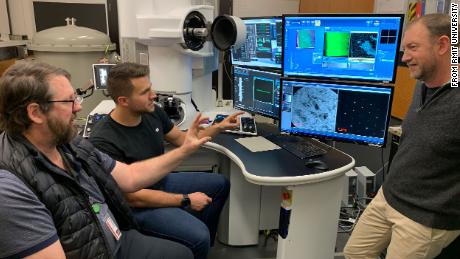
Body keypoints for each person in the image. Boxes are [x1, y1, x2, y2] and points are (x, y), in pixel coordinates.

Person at [0, 61, 213, 258]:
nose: (78, 107)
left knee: (181, 254)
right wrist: (185, 199)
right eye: (69, 101)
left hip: (111, 236)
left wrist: (185, 149)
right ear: (35, 113)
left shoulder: (70, 143)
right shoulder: (9, 188)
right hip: (95, 251)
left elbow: (130, 176)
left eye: (76, 97)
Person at [89, 62, 243, 259]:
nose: (153, 94)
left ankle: (197, 248)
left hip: (161, 183)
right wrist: (186, 200)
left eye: (150, 87)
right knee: (199, 236)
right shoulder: (103, 141)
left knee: (220, 185)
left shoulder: (152, 112)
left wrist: (220, 127)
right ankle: (194, 241)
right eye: (145, 92)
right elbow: (133, 197)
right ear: (123, 100)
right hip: (136, 207)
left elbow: (183, 140)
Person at [343, 14, 460, 258]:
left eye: (413, 48)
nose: (405, 58)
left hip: (424, 218)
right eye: (404, 49)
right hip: (390, 195)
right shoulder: (424, 82)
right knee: (354, 253)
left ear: (442, 45)